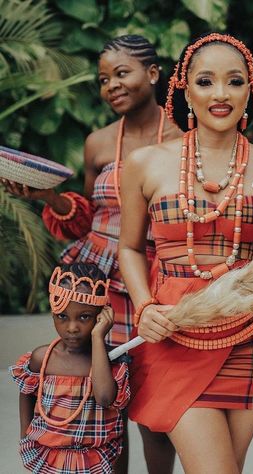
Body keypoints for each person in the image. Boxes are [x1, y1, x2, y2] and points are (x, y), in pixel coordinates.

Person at [1, 34, 181, 473]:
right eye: (104, 79)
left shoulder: (184, 140)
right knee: (103, 404)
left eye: (122, 73)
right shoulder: (98, 142)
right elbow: (83, 218)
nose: (111, 86)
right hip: (98, 288)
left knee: (155, 410)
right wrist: (48, 198)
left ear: (153, 74)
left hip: (153, 288)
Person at [118, 33, 253, 473]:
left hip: (251, 337)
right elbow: (129, 247)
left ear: (249, 91)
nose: (220, 94)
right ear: (184, 89)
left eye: (234, 82)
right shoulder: (145, 162)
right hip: (174, 333)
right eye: (206, 81)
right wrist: (143, 307)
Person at [9, 263, 130, 474]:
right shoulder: (43, 358)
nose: (72, 328)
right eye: (62, 316)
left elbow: (104, 398)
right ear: (53, 314)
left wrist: (97, 337)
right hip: (50, 456)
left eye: (84, 317)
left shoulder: (111, 361)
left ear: (102, 316)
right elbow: (27, 393)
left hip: (93, 461)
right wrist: (25, 435)